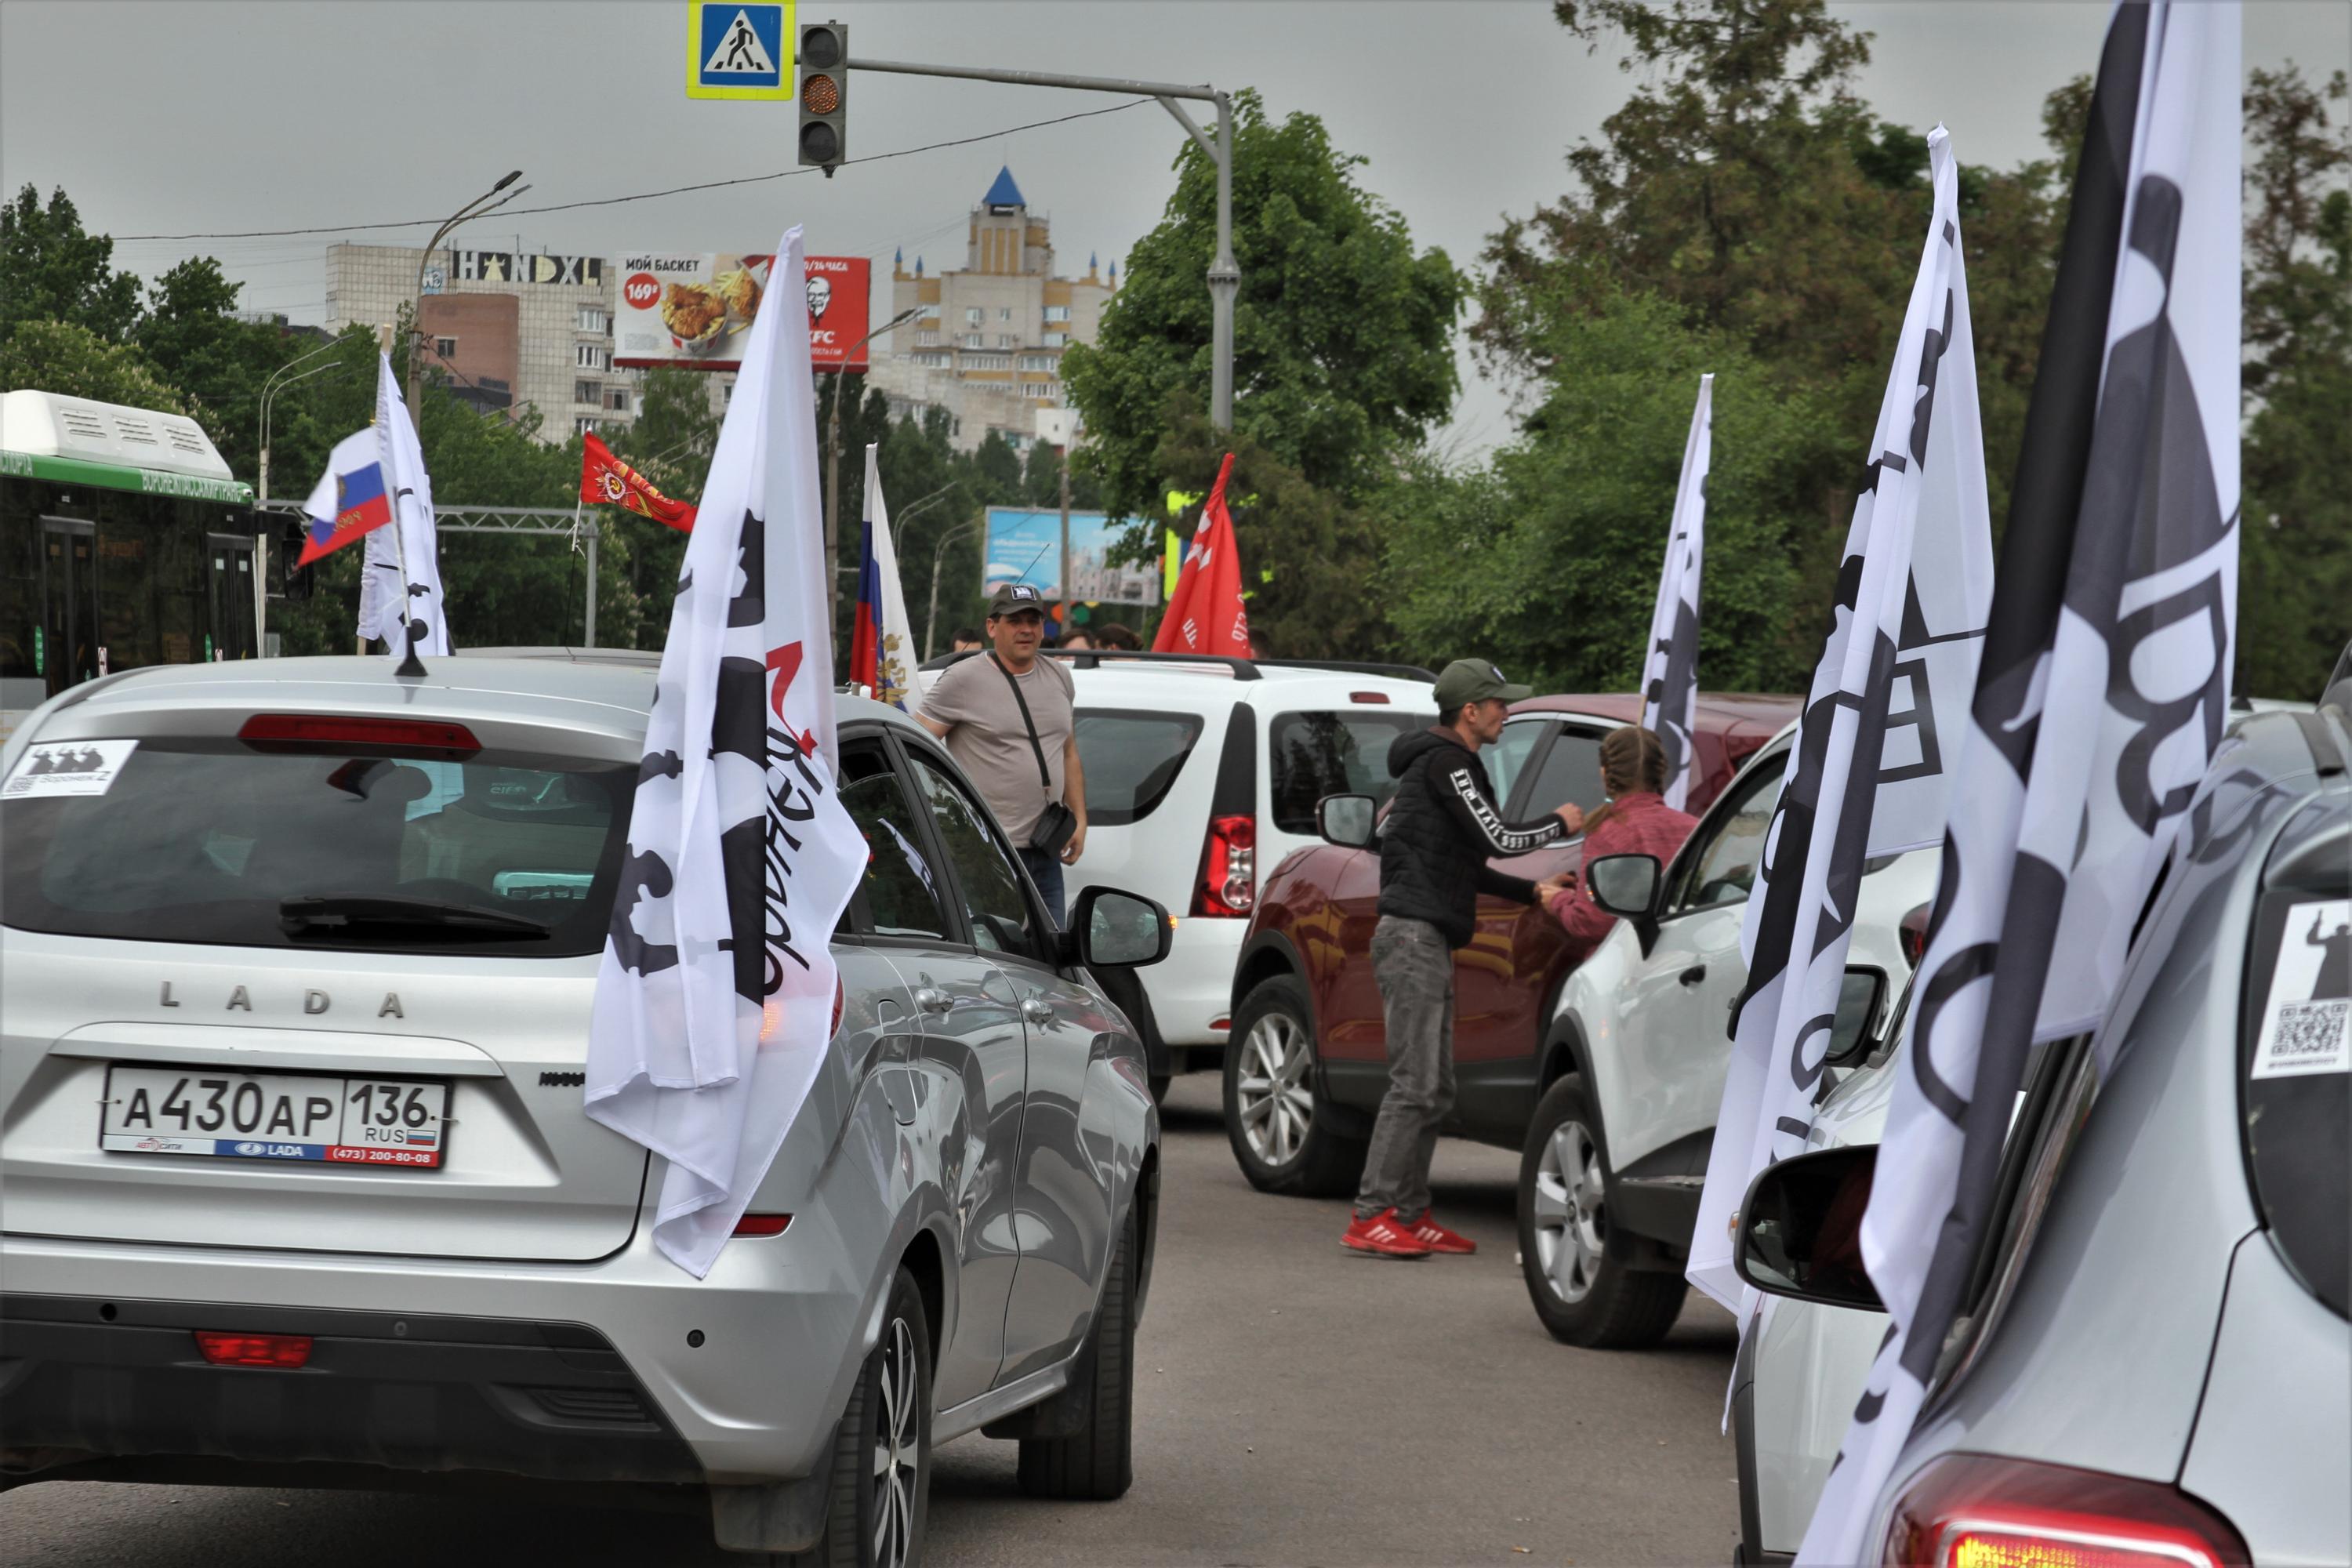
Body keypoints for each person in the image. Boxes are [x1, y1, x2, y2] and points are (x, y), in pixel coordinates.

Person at [1345, 659, 1584, 1260]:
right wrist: (1560, 822)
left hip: (1427, 936)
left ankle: (1410, 1211)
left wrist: (1533, 891)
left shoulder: (1442, 765)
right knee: (1414, 1084)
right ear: (1470, 711)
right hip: (1413, 939)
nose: (1508, 712)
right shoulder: (1448, 763)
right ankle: (1371, 1214)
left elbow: (1472, 865)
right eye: (1500, 704)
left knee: (1436, 1085)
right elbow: (1500, 839)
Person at [916, 584, 1087, 920]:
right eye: (1015, 621)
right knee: (995, 960)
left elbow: (1069, 753)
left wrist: (1080, 820)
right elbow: (916, 744)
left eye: (1034, 620)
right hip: (985, 853)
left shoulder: (1060, 677)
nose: (1026, 629)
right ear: (992, 627)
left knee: (1052, 958)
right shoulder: (963, 680)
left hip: (1046, 848)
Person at [1536, 726, 1700, 956]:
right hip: (1684, 960)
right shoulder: (1693, 827)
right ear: (1660, 772)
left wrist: (1558, 900)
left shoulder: (1606, 833)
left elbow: (1593, 924)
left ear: (1605, 773)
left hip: (1623, 968)